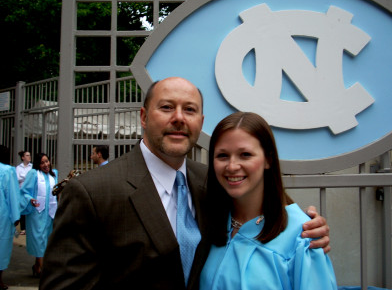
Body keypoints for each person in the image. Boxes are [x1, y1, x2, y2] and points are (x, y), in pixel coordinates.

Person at [40, 77, 329, 290]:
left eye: (189, 110)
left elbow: (265, 212)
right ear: (143, 117)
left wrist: (308, 227)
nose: (178, 118)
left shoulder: (211, 181)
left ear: (200, 122)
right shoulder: (92, 192)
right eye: (166, 107)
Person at [200, 112, 337, 289]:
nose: (232, 166)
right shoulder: (209, 221)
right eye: (222, 156)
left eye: (246, 154)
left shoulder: (302, 235)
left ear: (268, 160)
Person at [20, 153, 58, 278]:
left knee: (46, 241)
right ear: (38, 164)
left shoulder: (54, 174)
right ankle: (44, 271)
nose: (46, 165)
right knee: (39, 240)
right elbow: (24, 191)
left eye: (47, 161)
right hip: (37, 214)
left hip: (50, 214)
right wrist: (30, 199)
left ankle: (37, 267)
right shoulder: (33, 174)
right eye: (42, 163)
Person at [0, 146, 20, 290]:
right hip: (3, 215)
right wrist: (16, 217)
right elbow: (13, 195)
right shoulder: (8, 171)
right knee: (2, 247)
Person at [16, 150, 32, 235]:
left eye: (29, 155)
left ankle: (29, 227)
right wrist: (27, 177)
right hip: (21, 191)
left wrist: (23, 177)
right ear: (23, 157)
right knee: (22, 209)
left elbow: (32, 177)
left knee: (30, 209)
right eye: (27, 155)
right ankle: (23, 228)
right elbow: (17, 178)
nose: (29, 157)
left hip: (30, 191)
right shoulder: (19, 167)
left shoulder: (32, 167)